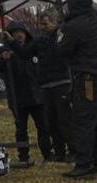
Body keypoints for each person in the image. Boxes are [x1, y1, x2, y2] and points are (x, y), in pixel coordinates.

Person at [55, 0, 97, 178]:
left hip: (87, 79)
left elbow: (63, 51)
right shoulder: (92, 16)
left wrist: (60, 33)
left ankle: (84, 165)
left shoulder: (75, 26)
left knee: (83, 122)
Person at [11, 12, 73, 161]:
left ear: (53, 22)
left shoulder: (61, 37)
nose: (42, 27)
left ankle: (74, 150)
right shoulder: (39, 41)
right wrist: (12, 43)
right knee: (51, 122)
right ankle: (59, 151)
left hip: (61, 82)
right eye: (41, 24)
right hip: (46, 85)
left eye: (45, 23)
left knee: (65, 120)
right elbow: (25, 54)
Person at [0, 22, 49, 165]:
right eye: (14, 32)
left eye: (21, 32)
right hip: (17, 96)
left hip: (36, 96)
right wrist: (2, 59)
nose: (18, 35)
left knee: (43, 126)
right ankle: (23, 155)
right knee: (21, 128)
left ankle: (47, 153)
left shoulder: (32, 48)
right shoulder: (3, 50)